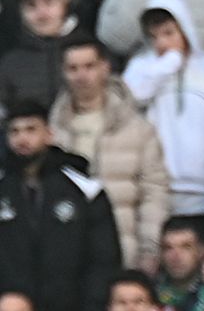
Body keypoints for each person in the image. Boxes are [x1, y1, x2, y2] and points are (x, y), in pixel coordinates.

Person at [0, 106, 123, 311]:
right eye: (15, 131)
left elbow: (104, 260)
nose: (22, 138)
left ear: (49, 134)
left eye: (31, 129)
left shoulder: (84, 190)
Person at [51, 38, 172, 270]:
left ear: (105, 67)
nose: (81, 76)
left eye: (89, 66)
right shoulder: (52, 131)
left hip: (125, 252)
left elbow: (154, 191)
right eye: (73, 68)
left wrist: (150, 248)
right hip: (67, 257)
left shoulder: (138, 129)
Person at [122, 0, 204, 230]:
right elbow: (132, 97)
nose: (162, 42)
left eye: (169, 33)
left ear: (185, 29)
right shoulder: (141, 67)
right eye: (154, 36)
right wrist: (165, 66)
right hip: (160, 188)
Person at [0, 0, 89, 115]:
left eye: (48, 2)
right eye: (31, 5)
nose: (42, 14)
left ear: (63, 1)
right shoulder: (10, 63)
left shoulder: (90, 49)